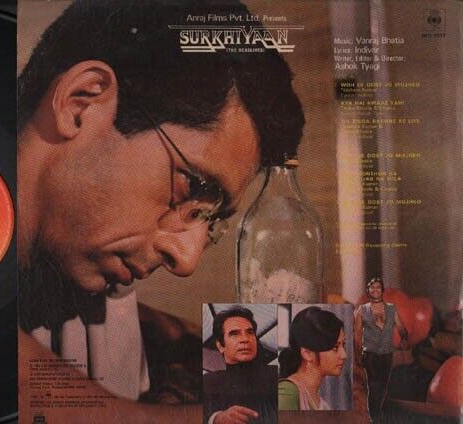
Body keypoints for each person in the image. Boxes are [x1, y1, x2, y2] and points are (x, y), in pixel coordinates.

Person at [17, 0, 304, 420]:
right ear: (81, 103)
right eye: (193, 188)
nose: (186, 260)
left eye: (208, 221)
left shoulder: (54, 272)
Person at [204, 307, 278, 424]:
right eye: (234, 334)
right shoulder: (207, 383)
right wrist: (216, 419)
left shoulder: (278, 375)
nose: (245, 339)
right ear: (220, 346)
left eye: (250, 332)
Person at [354, 277, 409, 421]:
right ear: (368, 291)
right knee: (373, 385)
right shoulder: (362, 310)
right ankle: (375, 416)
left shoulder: (391, 309)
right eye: (372, 288)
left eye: (378, 287)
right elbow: (357, 334)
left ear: (382, 290)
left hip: (386, 354)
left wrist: (404, 338)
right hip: (370, 354)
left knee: (383, 385)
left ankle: (376, 413)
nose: (375, 290)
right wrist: (357, 354)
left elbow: (401, 327)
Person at [278, 306, 347, 411]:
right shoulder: (288, 392)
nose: (344, 355)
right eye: (335, 347)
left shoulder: (321, 402)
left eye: (343, 345)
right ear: (307, 354)